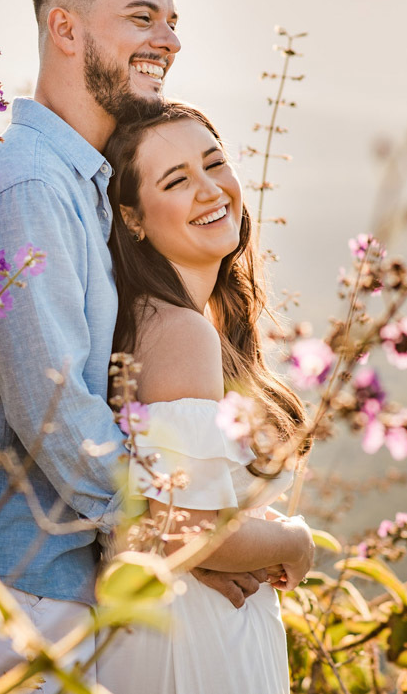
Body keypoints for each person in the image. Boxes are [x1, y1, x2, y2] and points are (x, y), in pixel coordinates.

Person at [0, 0, 269, 692]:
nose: (168, 40)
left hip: (45, 574)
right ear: (64, 29)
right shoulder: (31, 187)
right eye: (142, 17)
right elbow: (55, 413)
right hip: (4, 578)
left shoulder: (79, 183)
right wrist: (184, 541)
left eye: (171, 21)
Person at [97, 101, 315, 693]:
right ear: (132, 219)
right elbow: (182, 532)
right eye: (176, 181)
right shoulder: (178, 332)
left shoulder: (176, 320)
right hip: (192, 642)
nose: (210, 189)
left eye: (214, 163)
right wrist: (295, 542)